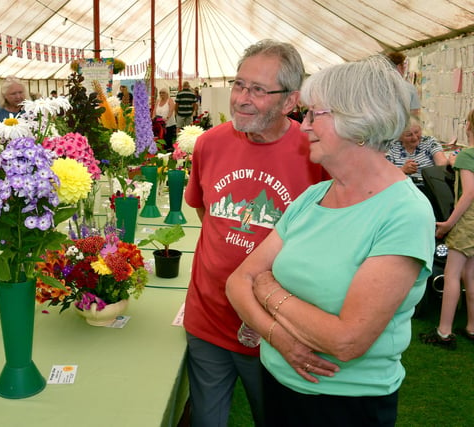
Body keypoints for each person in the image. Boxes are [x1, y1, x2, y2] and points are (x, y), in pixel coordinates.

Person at [225, 55, 435, 426]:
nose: (302, 126)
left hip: (345, 406)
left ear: (358, 119)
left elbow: (346, 341)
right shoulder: (313, 196)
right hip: (279, 382)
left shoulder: (404, 213)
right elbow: (237, 281)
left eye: (312, 115)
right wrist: (282, 340)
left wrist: (269, 289)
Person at [183, 39, 330, 426]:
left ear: (289, 101)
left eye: (258, 90)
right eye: (239, 84)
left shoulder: (315, 152)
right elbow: (205, 209)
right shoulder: (209, 144)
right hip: (207, 318)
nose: (241, 99)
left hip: (276, 328)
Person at [420, 108, 474, 350]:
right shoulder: (464, 158)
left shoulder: (467, 157)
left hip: (466, 224)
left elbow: (469, 194)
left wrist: (449, 224)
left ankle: (444, 332)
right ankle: (472, 326)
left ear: (468, 127)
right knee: (470, 275)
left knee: (451, 275)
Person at [385, 116, 447, 186]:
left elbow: (441, 163)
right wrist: (403, 170)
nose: (414, 137)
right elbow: (385, 175)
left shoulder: (429, 142)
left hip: (427, 187)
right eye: (409, 135)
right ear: (399, 136)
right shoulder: (391, 147)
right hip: (402, 187)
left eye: (417, 132)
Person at [387, 51, 421, 117]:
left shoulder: (378, 86)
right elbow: (414, 113)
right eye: (404, 66)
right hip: (404, 126)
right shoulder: (410, 88)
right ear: (399, 67)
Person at [152, 87, 176, 152]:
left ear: (167, 93)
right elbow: (154, 111)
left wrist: (167, 118)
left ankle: (169, 152)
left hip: (168, 124)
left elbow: (171, 110)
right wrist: (153, 118)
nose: (161, 94)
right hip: (159, 124)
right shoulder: (158, 101)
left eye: (163, 93)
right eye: (160, 93)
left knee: (168, 139)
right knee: (160, 138)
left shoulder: (170, 100)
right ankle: (161, 151)